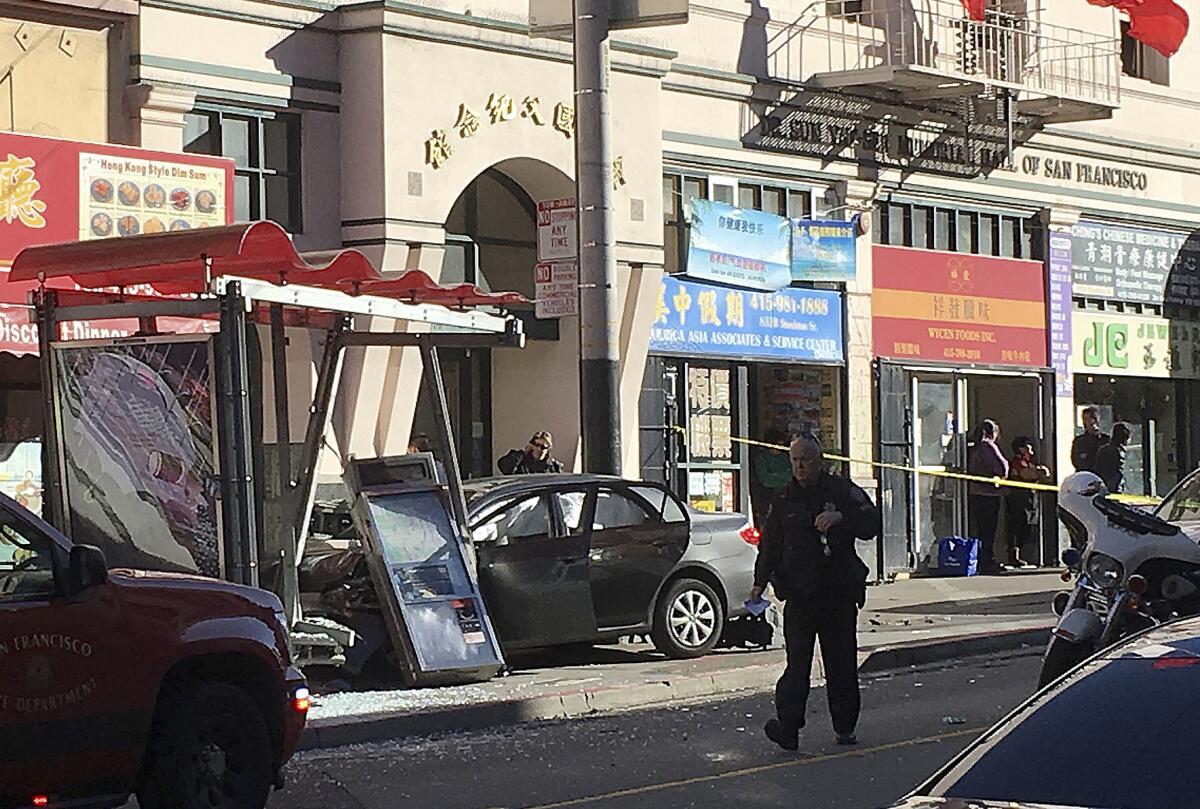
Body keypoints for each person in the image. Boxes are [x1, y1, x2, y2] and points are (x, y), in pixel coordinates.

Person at [750, 433, 880, 751]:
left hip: (837, 594)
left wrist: (842, 518)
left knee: (841, 664)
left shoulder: (840, 490)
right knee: (797, 666)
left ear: (819, 460)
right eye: (795, 460)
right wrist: (758, 582)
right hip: (800, 595)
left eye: (806, 459)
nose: (800, 466)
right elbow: (770, 546)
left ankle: (845, 727)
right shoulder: (783, 500)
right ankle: (789, 728)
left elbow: (871, 522)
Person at [967, 419, 1009, 574]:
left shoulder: (973, 447)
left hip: (974, 492)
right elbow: (1002, 467)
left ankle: (977, 559)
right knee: (988, 531)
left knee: (979, 529)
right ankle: (987, 561)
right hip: (988, 494)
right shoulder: (987, 446)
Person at [1006, 437, 1052, 569]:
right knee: (1018, 525)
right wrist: (1040, 472)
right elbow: (1026, 474)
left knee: (1027, 526)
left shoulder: (1029, 461)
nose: (1031, 450)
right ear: (1021, 449)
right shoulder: (1018, 461)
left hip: (1029, 498)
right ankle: (1013, 555)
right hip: (1018, 499)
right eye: (1028, 447)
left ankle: (1020, 552)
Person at [752, 428, 792, 526]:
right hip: (766, 498)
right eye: (778, 445)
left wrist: (776, 475)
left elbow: (791, 475)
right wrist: (783, 477)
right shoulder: (761, 458)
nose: (780, 448)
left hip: (785, 497)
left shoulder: (785, 458)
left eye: (782, 445)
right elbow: (765, 480)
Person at [498, 430, 564, 475]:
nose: (539, 449)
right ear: (532, 445)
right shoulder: (521, 460)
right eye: (537, 445)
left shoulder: (553, 467)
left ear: (548, 449)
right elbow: (503, 467)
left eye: (543, 447)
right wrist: (522, 453)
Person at [1070, 407, 1110, 473]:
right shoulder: (1079, 441)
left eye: (1091, 419)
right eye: (1086, 419)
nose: (1088, 422)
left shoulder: (1105, 440)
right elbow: (1076, 461)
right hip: (1084, 475)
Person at [1095, 422, 1131, 494]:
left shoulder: (1103, 449)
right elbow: (1118, 473)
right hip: (1113, 488)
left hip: (1101, 485)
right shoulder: (1119, 452)